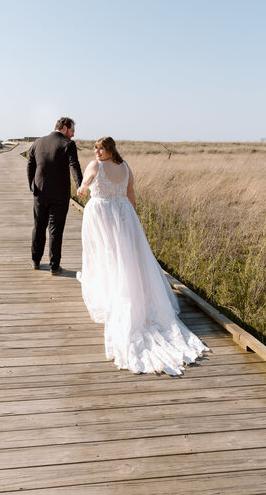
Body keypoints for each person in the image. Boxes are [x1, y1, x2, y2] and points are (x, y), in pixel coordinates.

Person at [77, 137, 208, 375]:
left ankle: (112, 294)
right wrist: (132, 218)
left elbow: (84, 185)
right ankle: (123, 289)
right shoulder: (125, 166)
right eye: (95, 149)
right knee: (126, 257)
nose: (97, 152)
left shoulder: (95, 166)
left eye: (101, 149)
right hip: (124, 214)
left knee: (106, 255)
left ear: (109, 150)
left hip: (102, 214)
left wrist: (83, 188)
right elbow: (130, 194)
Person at [27, 117, 83, 275]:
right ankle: (54, 266)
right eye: (72, 130)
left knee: (38, 226)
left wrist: (32, 185)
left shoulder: (38, 142)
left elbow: (30, 163)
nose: (73, 134)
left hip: (39, 193)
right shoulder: (68, 144)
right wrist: (80, 186)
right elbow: (74, 166)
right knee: (55, 230)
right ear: (64, 128)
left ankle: (35, 261)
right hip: (59, 195)